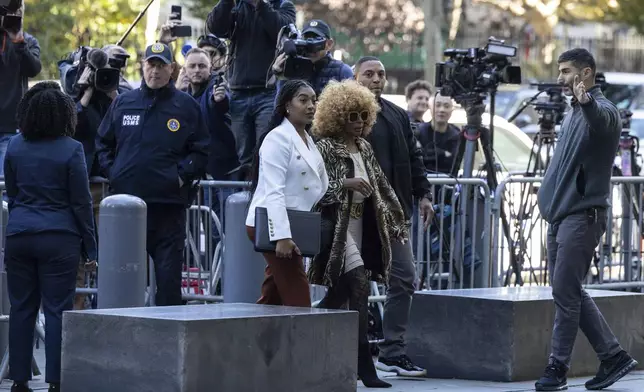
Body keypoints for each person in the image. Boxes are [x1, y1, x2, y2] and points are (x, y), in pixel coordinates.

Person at [535, 48, 638, 391]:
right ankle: (613, 357)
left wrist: (588, 103)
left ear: (587, 73)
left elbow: (603, 120)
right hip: (561, 217)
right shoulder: (572, 113)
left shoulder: (602, 110)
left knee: (566, 294)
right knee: (568, 291)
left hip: (583, 217)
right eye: (560, 71)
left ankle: (557, 369)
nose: (561, 78)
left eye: (566, 71)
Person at [311, 80, 408, 388]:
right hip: (337, 229)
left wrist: (396, 225)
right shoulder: (324, 146)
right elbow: (316, 190)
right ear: (337, 116)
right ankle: (365, 366)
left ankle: (308, 329)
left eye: (363, 116)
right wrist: (346, 185)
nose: (358, 123)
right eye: (351, 116)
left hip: (362, 226)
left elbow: (382, 187)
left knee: (341, 294)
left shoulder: (364, 146)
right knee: (359, 285)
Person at [96, 43, 210, 306]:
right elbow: (103, 143)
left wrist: (180, 176)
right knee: (124, 279)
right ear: (143, 66)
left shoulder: (186, 106)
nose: (155, 71)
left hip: (167, 208)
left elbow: (202, 151)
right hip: (127, 208)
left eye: (161, 65)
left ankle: (167, 344)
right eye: (151, 64)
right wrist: (114, 172)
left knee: (168, 283)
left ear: (171, 69)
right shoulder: (124, 102)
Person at [5, 82, 97, 392]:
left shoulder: (15, 146)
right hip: (59, 236)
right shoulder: (72, 149)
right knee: (57, 309)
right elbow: (81, 202)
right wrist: (90, 247)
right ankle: (56, 381)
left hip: (19, 234)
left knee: (21, 308)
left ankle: (19, 380)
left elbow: (14, 192)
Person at [354, 56, 433, 377]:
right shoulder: (337, 113)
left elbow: (414, 158)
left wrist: (424, 193)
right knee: (351, 285)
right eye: (368, 74)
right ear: (355, 77)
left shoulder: (398, 115)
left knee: (404, 277)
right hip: (355, 215)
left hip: (394, 214)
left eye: (381, 74)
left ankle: (392, 350)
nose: (376, 79)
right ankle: (352, 353)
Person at [245, 80, 328, 307]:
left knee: (273, 297)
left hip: (295, 224)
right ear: (287, 106)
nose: (311, 105)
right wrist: (281, 236)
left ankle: (257, 339)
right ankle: (304, 342)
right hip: (273, 225)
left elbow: (320, 185)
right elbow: (274, 191)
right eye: (303, 100)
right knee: (298, 297)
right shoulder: (277, 138)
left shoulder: (308, 140)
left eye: (313, 100)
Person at [207, 0, 296, 177]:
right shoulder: (236, 5)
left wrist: (260, 5)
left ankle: (265, 197)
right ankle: (245, 200)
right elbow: (215, 27)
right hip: (238, 92)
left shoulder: (283, 5)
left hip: (267, 91)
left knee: (268, 151)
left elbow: (282, 29)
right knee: (243, 157)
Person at [183, 47, 238, 264]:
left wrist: (220, 100)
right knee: (203, 234)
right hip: (197, 176)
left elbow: (222, 105)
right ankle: (213, 284)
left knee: (225, 231)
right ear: (185, 70)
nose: (197, 70)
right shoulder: (183, 95)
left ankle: (228, 283)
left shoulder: (216, 87)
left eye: (202, 66)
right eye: (192, 66)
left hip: (223, 174)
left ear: (210, 68)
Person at [0, 2, 41, 173]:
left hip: (12, 127)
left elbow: (33, 69)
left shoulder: (27, 41)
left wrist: (18, 42)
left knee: (6, 184)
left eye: (16, 12)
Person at [271, 19, 353, 97]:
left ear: (329, 44)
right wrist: (282, 76)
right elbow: (281, 107)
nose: (310, 46)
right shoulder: (294, 68)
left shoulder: (342, 71)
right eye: (306, 39)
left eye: (316, 39)